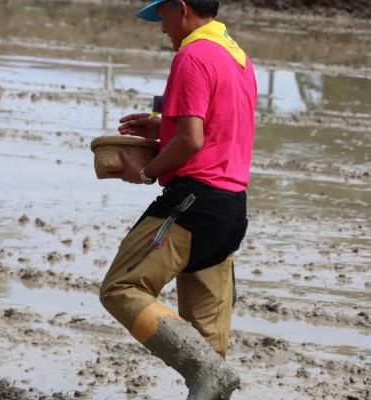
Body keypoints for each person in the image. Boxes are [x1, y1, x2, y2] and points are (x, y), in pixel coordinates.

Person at [99, 0, 257, 398]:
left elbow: (191, 141)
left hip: (192, 203)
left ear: (181, 8)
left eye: (163, 16)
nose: (162, 27)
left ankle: (205, 369)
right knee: (210, 345)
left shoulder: (192, 54)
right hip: (230, 210)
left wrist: (145, 172)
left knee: (121, 288)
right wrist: (162, 129)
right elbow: (217, 129)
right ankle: (210, 373)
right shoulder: (237, 58)